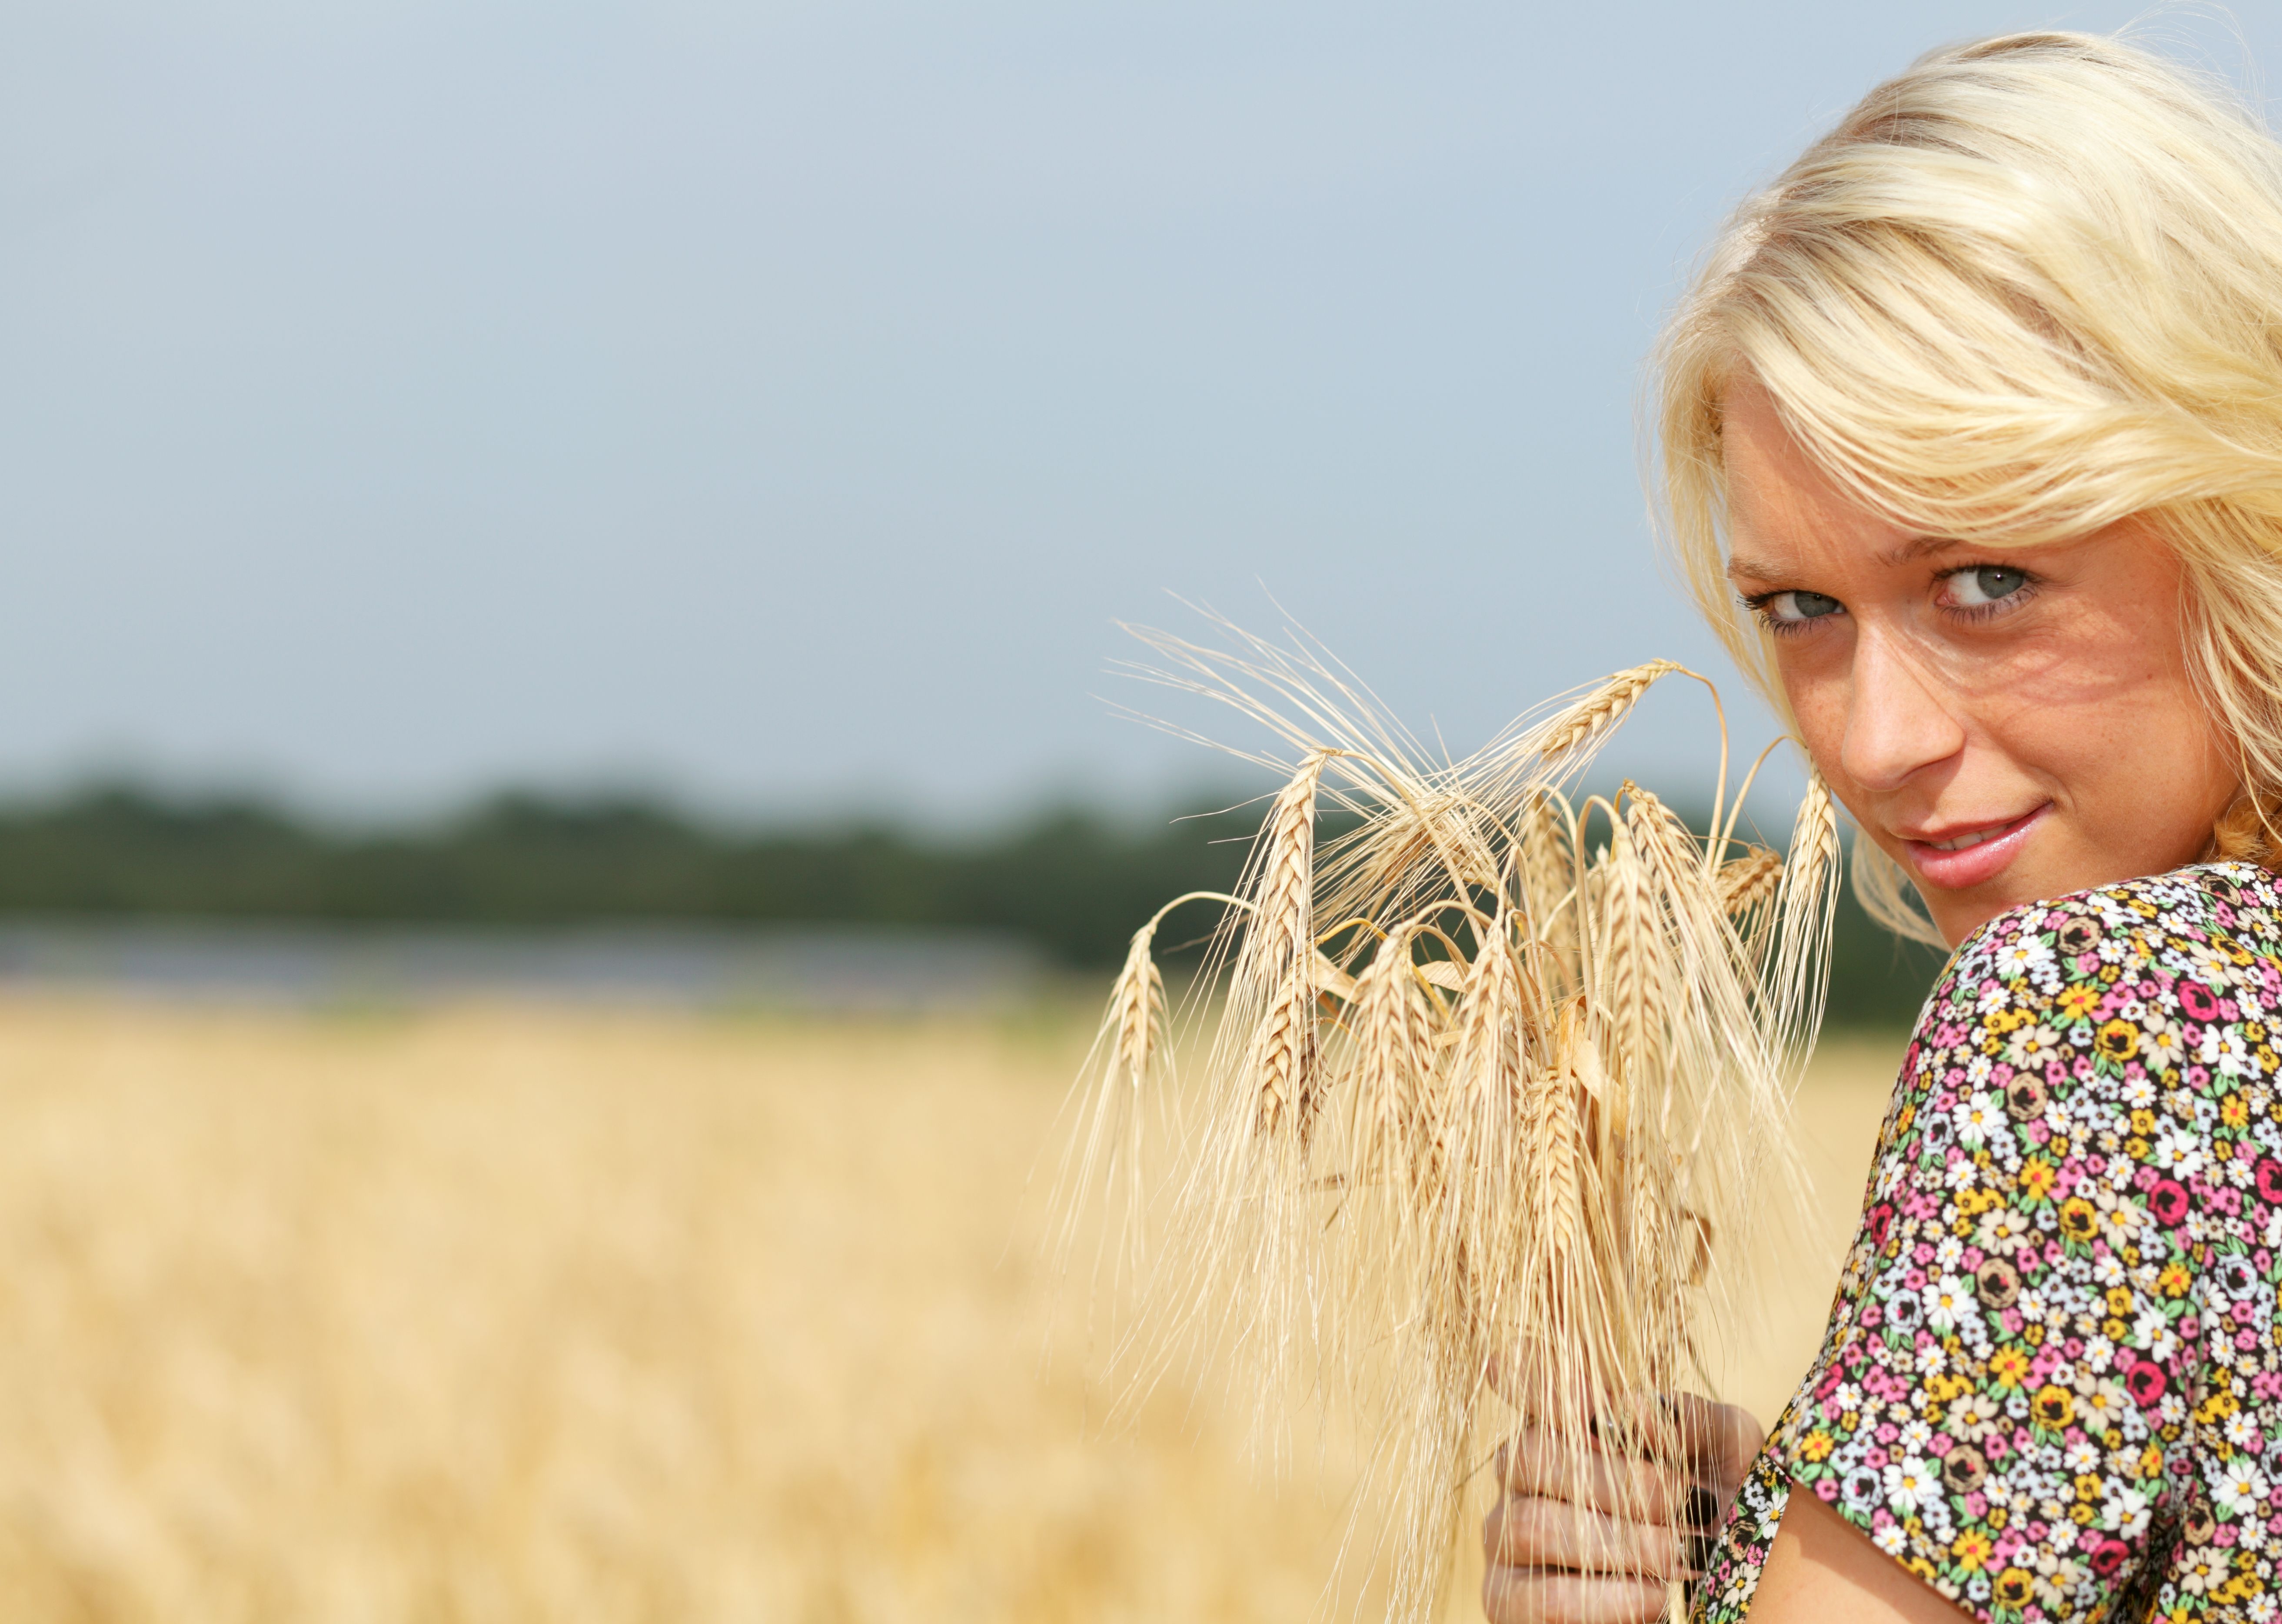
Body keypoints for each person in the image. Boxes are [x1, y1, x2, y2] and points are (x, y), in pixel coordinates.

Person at [1482, 30, 2282, 1624]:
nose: (1869, 740)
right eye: (1797, 609)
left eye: (1987, 581)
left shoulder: (2111, 1019)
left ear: (2235, 510)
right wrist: (1773, 1544)